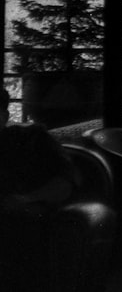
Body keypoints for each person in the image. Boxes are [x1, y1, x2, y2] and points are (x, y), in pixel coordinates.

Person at [0, 86, 77, 291]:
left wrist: (25, 200)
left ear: (5, 116)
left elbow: (64, 183)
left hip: (19, 221)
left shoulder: (33, 140)